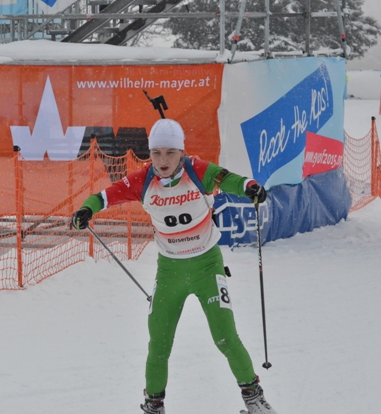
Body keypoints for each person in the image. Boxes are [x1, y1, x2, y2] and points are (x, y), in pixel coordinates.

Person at [71, 118, 277, 414]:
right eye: (156, 153)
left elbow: (229, 179)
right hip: (170, 272)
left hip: (207, 267)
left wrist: (250, 187)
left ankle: (255, 399)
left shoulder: (197, 170)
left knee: (225, 338)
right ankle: (154, 405)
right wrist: (86, 209)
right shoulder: (143, 180)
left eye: (170, 152)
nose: (163, 160)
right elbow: (103, 197)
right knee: (159, 344)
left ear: (182, 152)